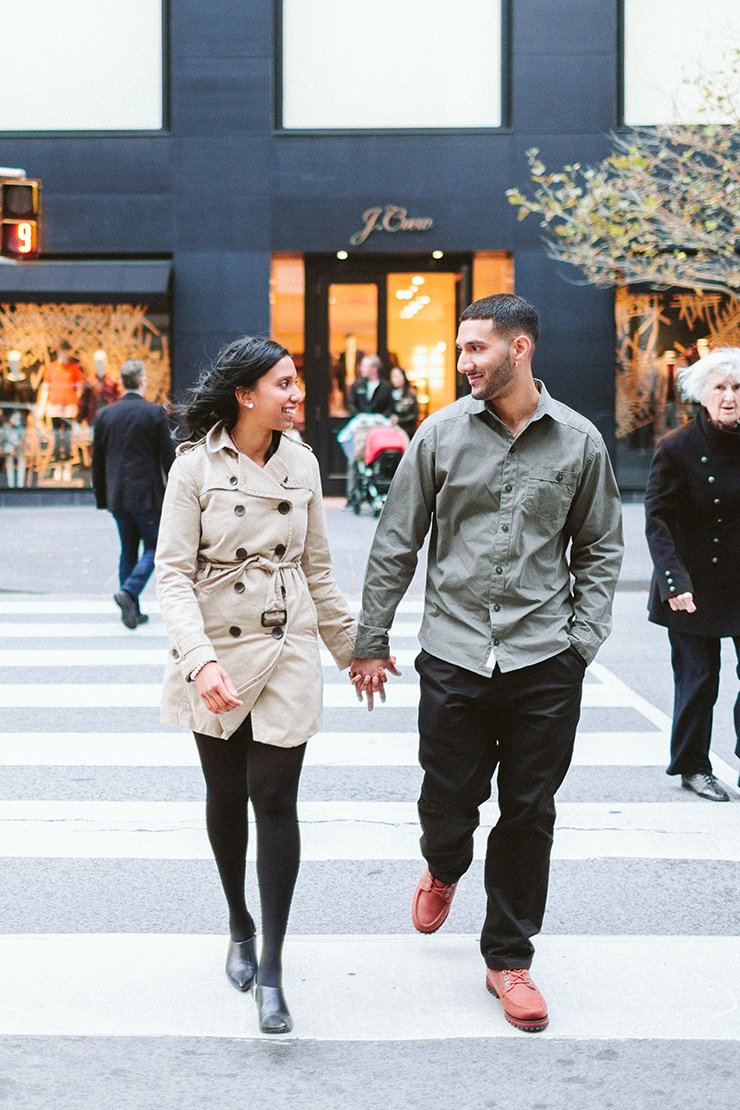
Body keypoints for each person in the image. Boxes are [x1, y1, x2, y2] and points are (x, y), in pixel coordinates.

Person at [348, 294, 623, 1033]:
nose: (463, 362)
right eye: (461, 349)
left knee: (530, 810)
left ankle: (509, 958)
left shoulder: (579, 442)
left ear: (520, 348)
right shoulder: (439, 435)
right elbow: (396, 542)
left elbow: (600, 546)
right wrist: (370, 639)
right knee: (448, 797)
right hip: (455, 652)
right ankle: (443, 863)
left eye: (476, 350)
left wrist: (583, 641)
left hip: (543, 657)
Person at [155, 336, 356, 1035]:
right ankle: (238, 921)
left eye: (296, 382)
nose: (297, 394)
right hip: (216, 646)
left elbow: (320, 570)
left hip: (287, 641)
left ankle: (271, 963)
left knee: (274, 796)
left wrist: (355, 649)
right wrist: (199, 659)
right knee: (224, 794)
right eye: (284, 383)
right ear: (246, 394)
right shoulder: (193, 468)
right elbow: (173, 573)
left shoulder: (302, 462)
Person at [645, 347, 740, 802]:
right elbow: (658, 518)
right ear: (702, 394)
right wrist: (673, 582)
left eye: (738, 388)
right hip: (691, 581)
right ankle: (693, 766)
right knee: (699, 679)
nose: (729, 396)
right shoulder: (677, 447)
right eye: (719, 387)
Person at [92, 359, 175, 628]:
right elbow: (168, 457)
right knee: (156, 547)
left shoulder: (106, 414)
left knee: (128, 549)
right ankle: (129, 593)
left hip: (117, 494)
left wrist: (102, 496)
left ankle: (131, 611)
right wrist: (176, 490)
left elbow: (98, 460)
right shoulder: (153, 414)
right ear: (142, 381)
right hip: (147, 494)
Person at [345, 355, 394, 508]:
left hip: (379, 432)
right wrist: (360, 416)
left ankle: (381, 494)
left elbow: (390, 408)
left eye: (365, 366)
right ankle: (353, 497)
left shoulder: (385, 387)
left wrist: (380, 417)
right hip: (361, 429)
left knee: (380, 460)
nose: (361, 369)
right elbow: (352, 405)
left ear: (374, 368)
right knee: (354, 459)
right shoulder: (357, 385)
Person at [390, 366, 419, 438]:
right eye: (393, 377)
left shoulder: (410, 394)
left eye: (397, 377)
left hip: (407, 427)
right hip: (392, 427)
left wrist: (400, 420)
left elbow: (414, 414)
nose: (394, 380)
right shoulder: (390, 393)